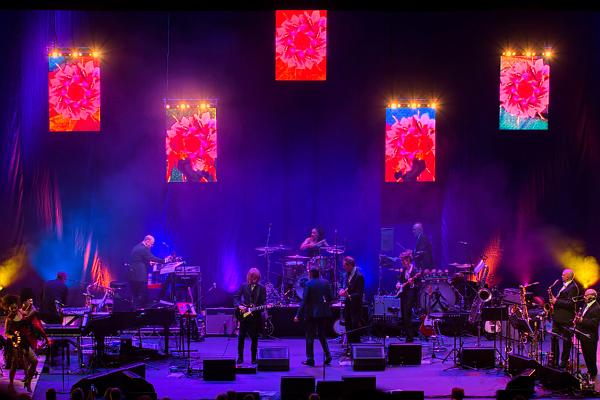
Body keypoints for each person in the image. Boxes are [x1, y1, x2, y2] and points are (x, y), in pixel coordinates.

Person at [294, 267, 333, 366]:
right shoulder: (325, 282)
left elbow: (304, 301)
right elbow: (330, 298)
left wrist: (298, 315)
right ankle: (328, 355)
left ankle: (310, 359)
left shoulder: (308, 284)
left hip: (310, 313)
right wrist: (323, 303)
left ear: (310, 274)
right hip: (322, 313)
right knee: (322, 335)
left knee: (309, 336)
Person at [2, 295, 40, 393]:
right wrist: (12, 336)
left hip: (24, 341)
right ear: (8, 308)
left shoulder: (21, 312)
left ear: (17, 306)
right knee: (14, 364)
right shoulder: (9, 319)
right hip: (15, 343)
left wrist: (30, 305)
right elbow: (6, 333)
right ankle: (11, 384)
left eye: (15, 308)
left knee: (34, 361)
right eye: (12, 309)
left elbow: (30, 312)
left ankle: (28, 381)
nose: (14, 310)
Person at [233, 268, 266, 365]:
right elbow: (236, 297)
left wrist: (260, 308)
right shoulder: (243, 286)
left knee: (254, 338)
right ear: (249, 277)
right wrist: (239, 306)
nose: (254, 280)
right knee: (241, 338)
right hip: (244, 317)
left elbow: (263, 303)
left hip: (255, 317)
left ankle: (253, 358)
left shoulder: (262, 288)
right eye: (252, 278)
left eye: (256, 278)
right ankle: (240, 357)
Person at [549, 268, 580, 369]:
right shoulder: (564, 286)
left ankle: (563, 361)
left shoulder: (573, 287)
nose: (561, 276)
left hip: (566, 318)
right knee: (554, 338)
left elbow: (570, 303)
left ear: (568, 276)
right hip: (557, 317)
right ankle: (554, 359)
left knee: (566, 340)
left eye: (563, 275)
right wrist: (554, 302)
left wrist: (556, 301)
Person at [129, 235, 165, 308]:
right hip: (139, 275)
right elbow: (151, 257)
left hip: (135, 274)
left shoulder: (138, 246)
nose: (152, 246)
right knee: (141, 293)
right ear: (147, 241)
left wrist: (149, 263)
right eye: (151, 244)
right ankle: (140, 309)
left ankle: (138, 308)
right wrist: (164, 261)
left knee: (138, 294)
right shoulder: (142, 248)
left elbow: (140, 259)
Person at [575, 288, 600, 383]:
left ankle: (593, 374)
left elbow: (594, 323)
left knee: (591, 356)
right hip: (583, 335)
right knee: (586, 356)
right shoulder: (586, 305)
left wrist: (582, 320)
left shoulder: (597, 308)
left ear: (592, 296)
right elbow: (582, 316)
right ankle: (589, 372)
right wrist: (578, 319)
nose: (584, 297)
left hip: (590, 337)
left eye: (586, 295)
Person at [395, 250, 421, 342]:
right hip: (404, 294)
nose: (402, 262)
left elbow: (419, 286)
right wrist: (398, 284)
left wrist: (412, 284)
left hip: (412, 295)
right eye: (402, 261)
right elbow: (400, 280)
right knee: (403, 315)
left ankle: (410, 337)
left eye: (404, 260)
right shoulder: (404, 270)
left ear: (408, 260)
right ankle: (407, 335)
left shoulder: (415, 271)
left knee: (407, 314)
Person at [338, 256, 364, 346]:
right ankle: (349, 346)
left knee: (355, 327)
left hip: (356, 306)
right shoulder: (347, 274)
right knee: (348, 324)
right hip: (348, 304)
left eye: (344, 265)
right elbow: (346, 286)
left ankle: (356, 346)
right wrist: (342, 290)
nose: (343, 267)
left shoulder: (359, 276)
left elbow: (359, 294)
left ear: (349, 265)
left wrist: (348, 295)